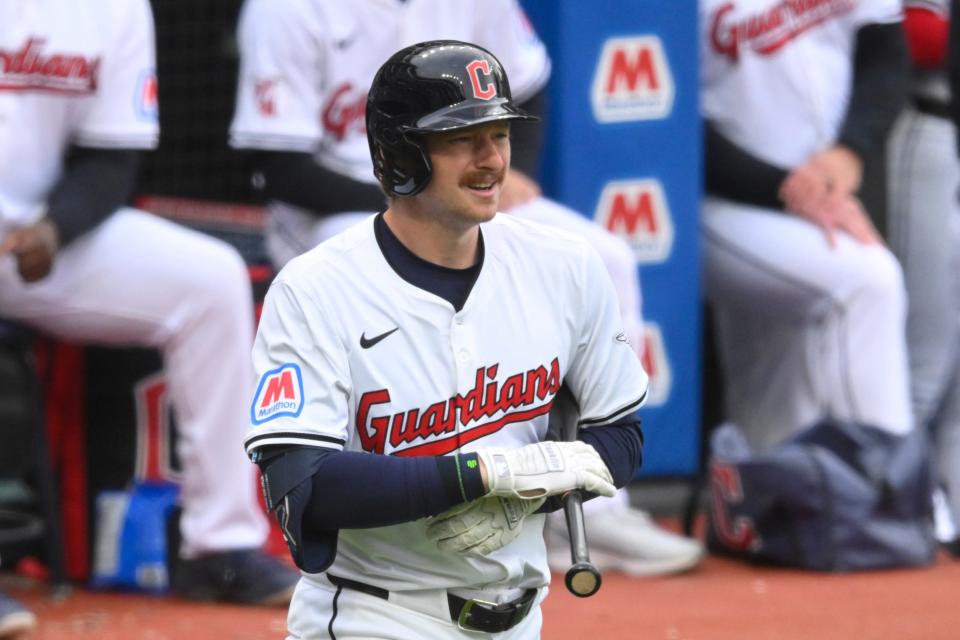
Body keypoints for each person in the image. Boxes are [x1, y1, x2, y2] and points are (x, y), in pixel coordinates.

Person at [229, 0, 702, 578]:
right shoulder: (287, 12)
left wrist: (530, 490)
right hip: (328, 211)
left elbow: (528, 84)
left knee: (603, 254)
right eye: (469, 139)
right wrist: (486, 477)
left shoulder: (556, 255)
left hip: (443, 197)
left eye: (497, 137)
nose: (490, 155)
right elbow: (277, 163)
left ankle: (589, 512)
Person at [0, 0, 296, 606]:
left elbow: (110, 158)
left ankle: (219, 547)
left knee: (212, 281)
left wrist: (56, 227)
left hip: (28, 235)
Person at [699, 0, 914, 452]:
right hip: (714, 203)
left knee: (777, 392)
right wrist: (792, 190)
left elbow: (885, 51)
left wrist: (849, 151)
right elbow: (676, 125)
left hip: (821, 194)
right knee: (866, 280)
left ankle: (771, 510)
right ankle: (887, 495)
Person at [888, 0, 960, 551]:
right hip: (926, 125)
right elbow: (918, 38)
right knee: (926, 353)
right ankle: (905, 502)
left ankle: (949, 495)